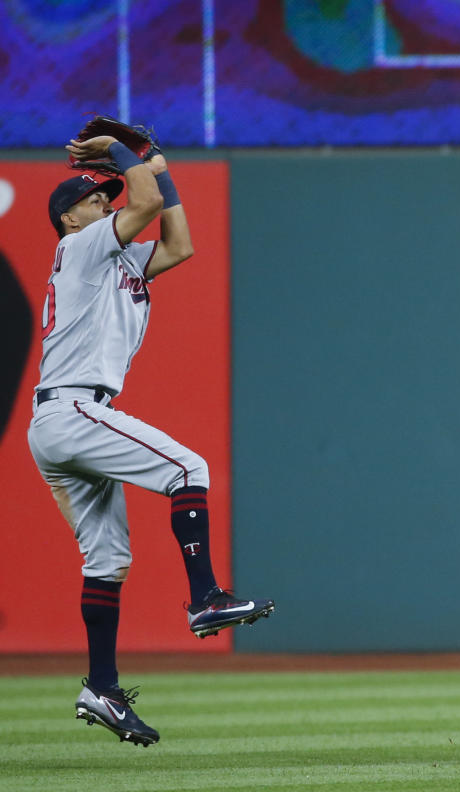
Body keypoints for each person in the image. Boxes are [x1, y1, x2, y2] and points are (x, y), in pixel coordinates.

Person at [28, 135, 276, 747]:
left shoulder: (119, 259)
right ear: (69, 218)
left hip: (66, 416)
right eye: (93, 199)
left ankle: (102, 688)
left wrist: (155, 172)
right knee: (187, 467)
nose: (104, 202)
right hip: (73, 406)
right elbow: (139, 204)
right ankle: (205, 599)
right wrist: (122, 153)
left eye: (104, 195)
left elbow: (180, 243)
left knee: (108, 560)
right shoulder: (82, 245)